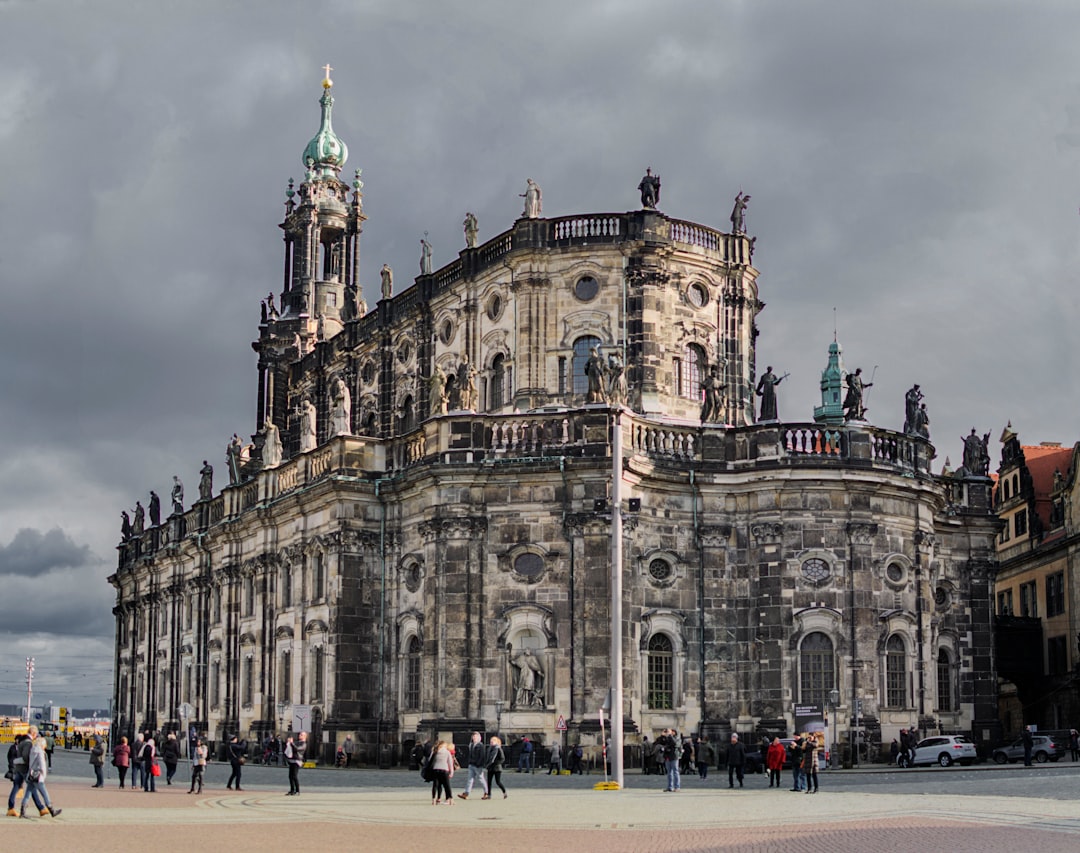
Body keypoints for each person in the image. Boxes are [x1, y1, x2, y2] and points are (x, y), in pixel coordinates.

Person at [19, 736, 60, 818]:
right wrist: (43, 776)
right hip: (38, 776)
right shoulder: (40, 752)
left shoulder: (32, 750)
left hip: (31, 774)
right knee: (44, 793)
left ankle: (22, 811)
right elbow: (42, 765)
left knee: (28, 793)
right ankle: (51, 809)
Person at [7, 731, 44, 817]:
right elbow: (25, 757)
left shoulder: (21, 742)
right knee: (32, 787)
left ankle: (11, 807)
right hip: (25, 768)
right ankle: (40, 808)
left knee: (16, 787)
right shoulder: (28, 742)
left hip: (18, 768)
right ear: (34, 733)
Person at [457, 731, 491, 800]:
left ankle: (486, 792)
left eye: (475, 737)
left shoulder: (480, 745)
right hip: (471, 764)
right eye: (473, 737)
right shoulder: (471, 745)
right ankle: (466, 793)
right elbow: (470, 755)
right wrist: (469, 762)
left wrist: (478, 764)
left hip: (478, 765)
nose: (474, 738)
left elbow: (482, 756)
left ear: (479, 738)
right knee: (470, 779)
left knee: (481, 779)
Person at [429, 739, 454, 805]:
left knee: (435, 785)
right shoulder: (447, 752)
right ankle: (451, 799)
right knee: (447, 785)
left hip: (436, 769)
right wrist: (451, 772)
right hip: (444, 769)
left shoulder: (435, 751)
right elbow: (450, 762)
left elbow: (430, 760)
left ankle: (434, 799)